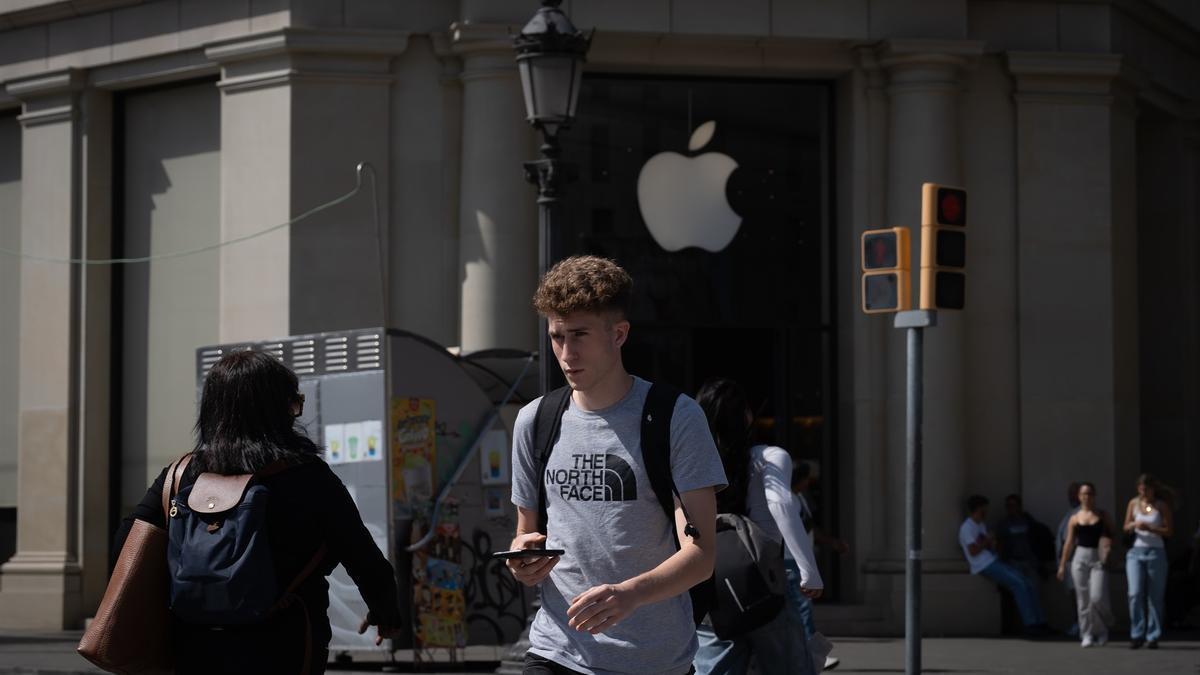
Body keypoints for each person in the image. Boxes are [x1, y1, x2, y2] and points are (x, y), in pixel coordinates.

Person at [113, 350, 402, 674]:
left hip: (194, 646)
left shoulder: (181, 474)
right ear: (277, 409)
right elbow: (361, 555)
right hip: (285, 644)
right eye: (294, 403)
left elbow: (128, 546)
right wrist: (384, 611)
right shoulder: (309, 476)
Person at [507, 255, 727, 675]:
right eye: (556, 337)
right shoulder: (535, 420)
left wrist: (629, 595)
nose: (566, 353)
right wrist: (522, 559)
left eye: (580, 335)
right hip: (556, 652)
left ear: (619, 334)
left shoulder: (675, 418)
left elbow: (701, 555)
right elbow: (525, 532)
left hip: (653, 660)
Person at [693, 378, 821, 675]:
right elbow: (781, 505)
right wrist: (809, 571)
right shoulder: (769, 457)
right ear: (746, 416)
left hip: (711, 582)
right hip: (765, 581)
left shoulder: (693, 461)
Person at [959, 495, 1049, 637]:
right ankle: (1030, 623)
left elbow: (986, 545)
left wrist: (992, 543)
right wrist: (987, 541)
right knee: (1018, 584)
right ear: (978, 509)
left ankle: (1040, 621)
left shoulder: (981, 525)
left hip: (992, 559)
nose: (986, 512)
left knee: (1028, 583)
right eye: (984, 509)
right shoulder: (967, 527)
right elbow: (973, 551)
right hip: (983, 565)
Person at [790, 460, 847, 671]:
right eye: (806, 479)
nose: (808, 483)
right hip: (793, 560)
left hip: (801, 558)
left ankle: (807, 653)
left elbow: (810, 528)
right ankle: (811, 654)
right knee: (802, 608)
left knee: (800, 608)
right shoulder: (788, 499)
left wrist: (831, 542)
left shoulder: (799, 499)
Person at [1057, 482, 1116, 647]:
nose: (1086, 497)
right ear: (1079, 496)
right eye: (1083, 494)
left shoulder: (1102, 515)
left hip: (1097, 557)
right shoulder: (1074, 518)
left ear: (1094, 496)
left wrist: (1108, 547)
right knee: (1083, 599)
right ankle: (1087, 633)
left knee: (1097, 596)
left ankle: (1103, 628)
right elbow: (1068, 543)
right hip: (1079, 557)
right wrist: (1062, 565)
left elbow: (1112, 533)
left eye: (1089, 493)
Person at [1123, 473, 1174, 649]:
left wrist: (1151, 528)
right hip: (1136, 551)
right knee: (1135, 593)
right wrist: (1133, 526)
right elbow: (1126, 525)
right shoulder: (1134, 504)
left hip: (1156, 552)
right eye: (1141, 489)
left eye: (1147, 489)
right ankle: (1136, 633)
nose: (1144, 492)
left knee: (1155, 596)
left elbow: (1168, 530)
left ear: (1153, 489)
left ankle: (1153, 635)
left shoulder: (1160, 506)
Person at [996, 494, 1051, 581]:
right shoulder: (1003, 524)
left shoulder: (1028, 521)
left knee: (1033, 589)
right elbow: (999, 543)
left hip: (1031, 562)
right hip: (1013, 562)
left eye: (1013, 505)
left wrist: (1040, 562)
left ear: (1019, 506)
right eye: (1008, 505)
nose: (1010, 508)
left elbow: (1039, 538)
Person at [1055, 482, 1082, 636]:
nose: (1071, 496)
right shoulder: (1069, 513)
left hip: (1075, 559)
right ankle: (1077, 622)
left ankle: (1081, 623)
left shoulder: (1081, 513)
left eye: (1074, 493)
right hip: (1067, 561)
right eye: (1070, 493)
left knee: (1077, 594)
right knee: (1073, 594)